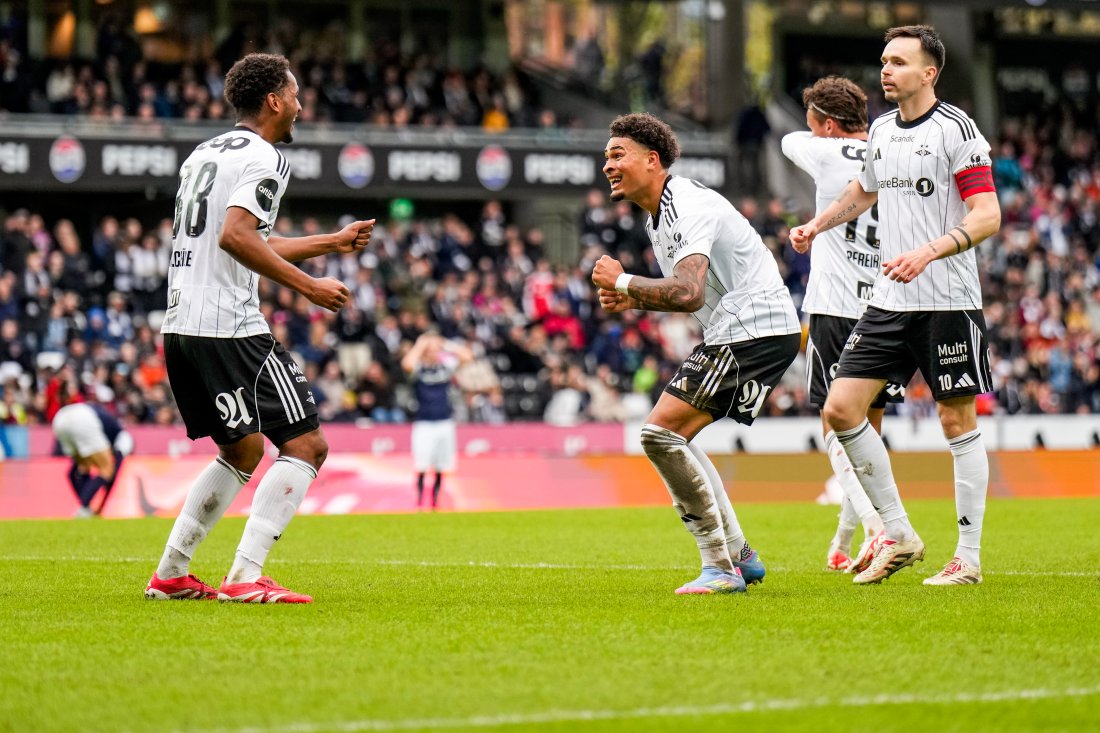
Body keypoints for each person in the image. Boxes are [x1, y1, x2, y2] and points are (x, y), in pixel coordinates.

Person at [144, 53, 374, 603]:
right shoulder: (267, 156)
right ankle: (245, 577)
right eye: (294, 95)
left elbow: (241, 236)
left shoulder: (207, 152)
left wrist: (330, 243)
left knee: (243, 450)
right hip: (230, 325)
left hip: (181, 324)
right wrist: (309, 286)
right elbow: (236, 238)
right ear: (274, 101)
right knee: (308, 444)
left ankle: (171, 573)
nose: (299, 105)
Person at [790, 26, 1000, 586]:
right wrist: (817, 224)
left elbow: (986, 215)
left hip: (947, 297)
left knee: (956, 419)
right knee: (840, 410)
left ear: (929, 73)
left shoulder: (957, 131)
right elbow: (863, 191)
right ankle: (898, 532)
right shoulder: (881, 129)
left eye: (899, 62)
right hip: (889, 299)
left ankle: (969, 558)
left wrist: (929, 252)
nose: (886, 70)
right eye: (884, 61)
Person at [592, 113, 802, 595]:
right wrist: (633, 297)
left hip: (754, 328)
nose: (608, 165)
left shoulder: (687, 203)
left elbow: (688, 291)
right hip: (744, 328)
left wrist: (623, 281)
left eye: (617, 154)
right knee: (672, 437)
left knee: (659, 434)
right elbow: (687, 291)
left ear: (653, 159)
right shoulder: (658, 216)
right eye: (606, 156)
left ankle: (721, 567)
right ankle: (739, 557)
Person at [781, 76, 906, 574]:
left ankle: (881, 531)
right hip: (888, 307)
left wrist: (821, 138)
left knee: (836, 424)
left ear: (827, 126)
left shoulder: (824, 152)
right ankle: (846, 536)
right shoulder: (890, 152)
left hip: (836, 307)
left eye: (815, 123)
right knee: (867, 433)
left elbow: (790, 141)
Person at [401, 332, 472, 510]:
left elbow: (467, 356)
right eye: (430, 350)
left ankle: (434, 501)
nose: (433, 353)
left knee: (442, 464)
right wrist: (420, 344)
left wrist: (445, 343)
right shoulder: (419, 369)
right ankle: (419, 501)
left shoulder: (444, 368)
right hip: (424, 422)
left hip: (444, 421)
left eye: (435, 350)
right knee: (422, 463)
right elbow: (407, 364)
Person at [52, 399, 133, 517]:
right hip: (83, 418)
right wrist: (102, 506)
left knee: (82, 468)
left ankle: (86, 507)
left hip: (60, 418)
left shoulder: (111, 428)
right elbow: (113, 473)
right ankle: (84, 508)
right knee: (106, 470)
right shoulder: (124, 439)